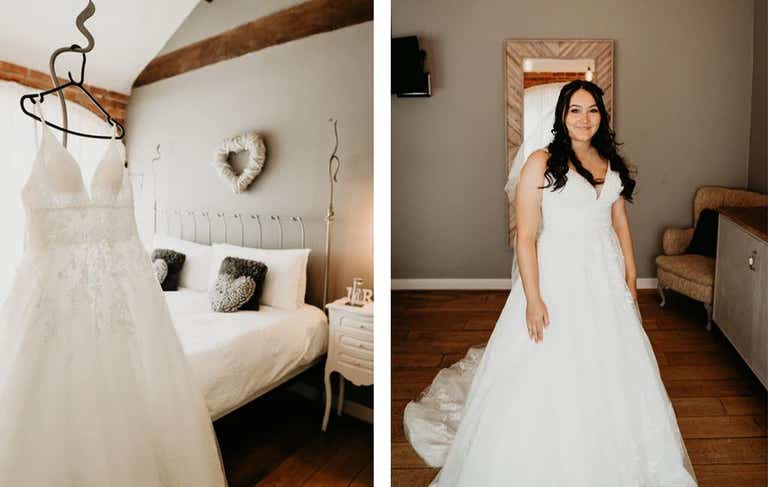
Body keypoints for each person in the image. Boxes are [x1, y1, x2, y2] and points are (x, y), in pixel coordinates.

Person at [403, 80, 698, 486]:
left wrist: (630, 272)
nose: (584, 118)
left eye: (592, 110)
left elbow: (619, 220)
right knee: (549, 359)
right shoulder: (541, 162)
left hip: (604, 272)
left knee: (613, 358)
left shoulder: (608, 159)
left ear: (602, 115)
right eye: (575, 110)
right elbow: (525, 236)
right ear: (562, 115)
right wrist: (533, 298)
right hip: (557, 271)